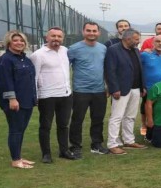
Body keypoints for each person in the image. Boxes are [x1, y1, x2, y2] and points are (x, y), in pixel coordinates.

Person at [30, 27, 75, 163]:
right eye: (53, 36)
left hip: (65, 94)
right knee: (45, 126)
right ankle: (46, 154)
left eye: (59, 36)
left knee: (63, 125)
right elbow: (34, 76)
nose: (56, 39)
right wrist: (35, 96)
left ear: (63, 38)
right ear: (47, 37)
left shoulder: (65, 51)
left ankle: (64, 151)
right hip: (47, 96)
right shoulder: (38, 55)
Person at [0, 30, 37, 169]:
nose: (19, 43)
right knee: (15, 130)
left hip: (27, 101)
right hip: (15, 102)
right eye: (15, 40)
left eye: (21, 40)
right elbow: (5, 82)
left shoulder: (25, 59)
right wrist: (12, 99)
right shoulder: (5, 60)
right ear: (9, 43)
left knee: (21, 130)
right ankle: (15, 160)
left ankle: (19, 156)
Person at [68, 21, 109, 157]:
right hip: (81, 90)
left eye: (94, 31)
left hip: (99, 90)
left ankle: (96, 145)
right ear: (83, 32)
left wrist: (107, 85)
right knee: (77, 119)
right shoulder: (73, 49)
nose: (91, 33)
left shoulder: (103, 48)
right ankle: (75, 146)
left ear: (98, 33)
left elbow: (105, 68)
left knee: (98, 119)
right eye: (88, 30)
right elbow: (64, 67)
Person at [105, 29, 147, 155]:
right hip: (121, 89)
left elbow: (139, 69)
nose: (138, 41)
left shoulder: (136, 50)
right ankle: (112, 144)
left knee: (130, 116)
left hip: (135, 88)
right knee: (116, 117)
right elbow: (110, 70)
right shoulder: (113, 50)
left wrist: (142, 87)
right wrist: (114, 88)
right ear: (128, 39)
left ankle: (129, 140)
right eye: (136, 39)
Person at [139, 35, 161, 138]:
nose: (160, 43)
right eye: (158, 41)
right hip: (147, 88)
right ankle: (143, 126)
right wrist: (142, 86)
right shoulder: (145, 55)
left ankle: (154, 127)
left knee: (156, 109)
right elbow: (138, 70)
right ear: (153, 43)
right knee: (145, 107)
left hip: (160, 88)